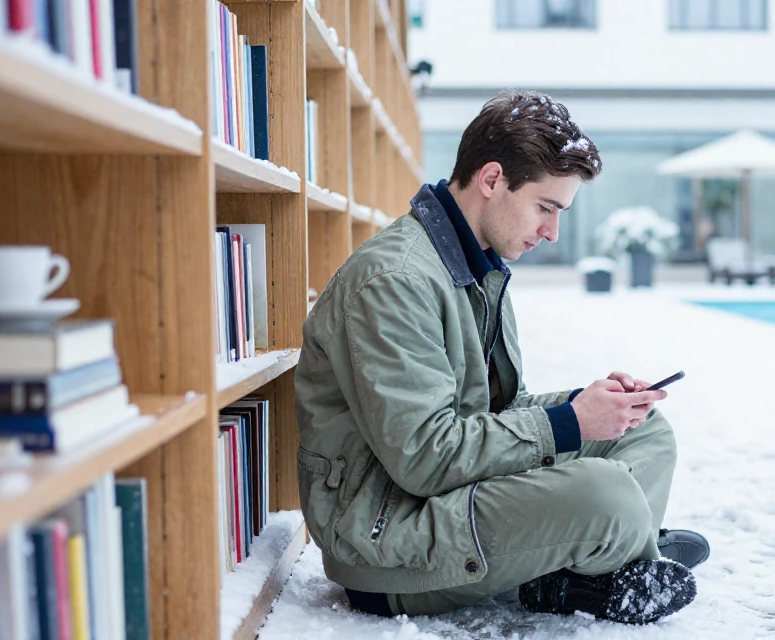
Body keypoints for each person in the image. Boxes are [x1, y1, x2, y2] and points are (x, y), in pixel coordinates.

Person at [294, 90, 709, 625]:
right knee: (607, 493)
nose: (552, 232)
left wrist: (589, 407)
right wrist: (568, 423)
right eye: (545, 207)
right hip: (390, 540)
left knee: (643, 429)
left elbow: (496, 412)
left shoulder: (477, 265)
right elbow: (424, 457)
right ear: (492, 180)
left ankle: (604, 555)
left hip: (451, 497)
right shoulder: (395, 281)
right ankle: (612, 551)